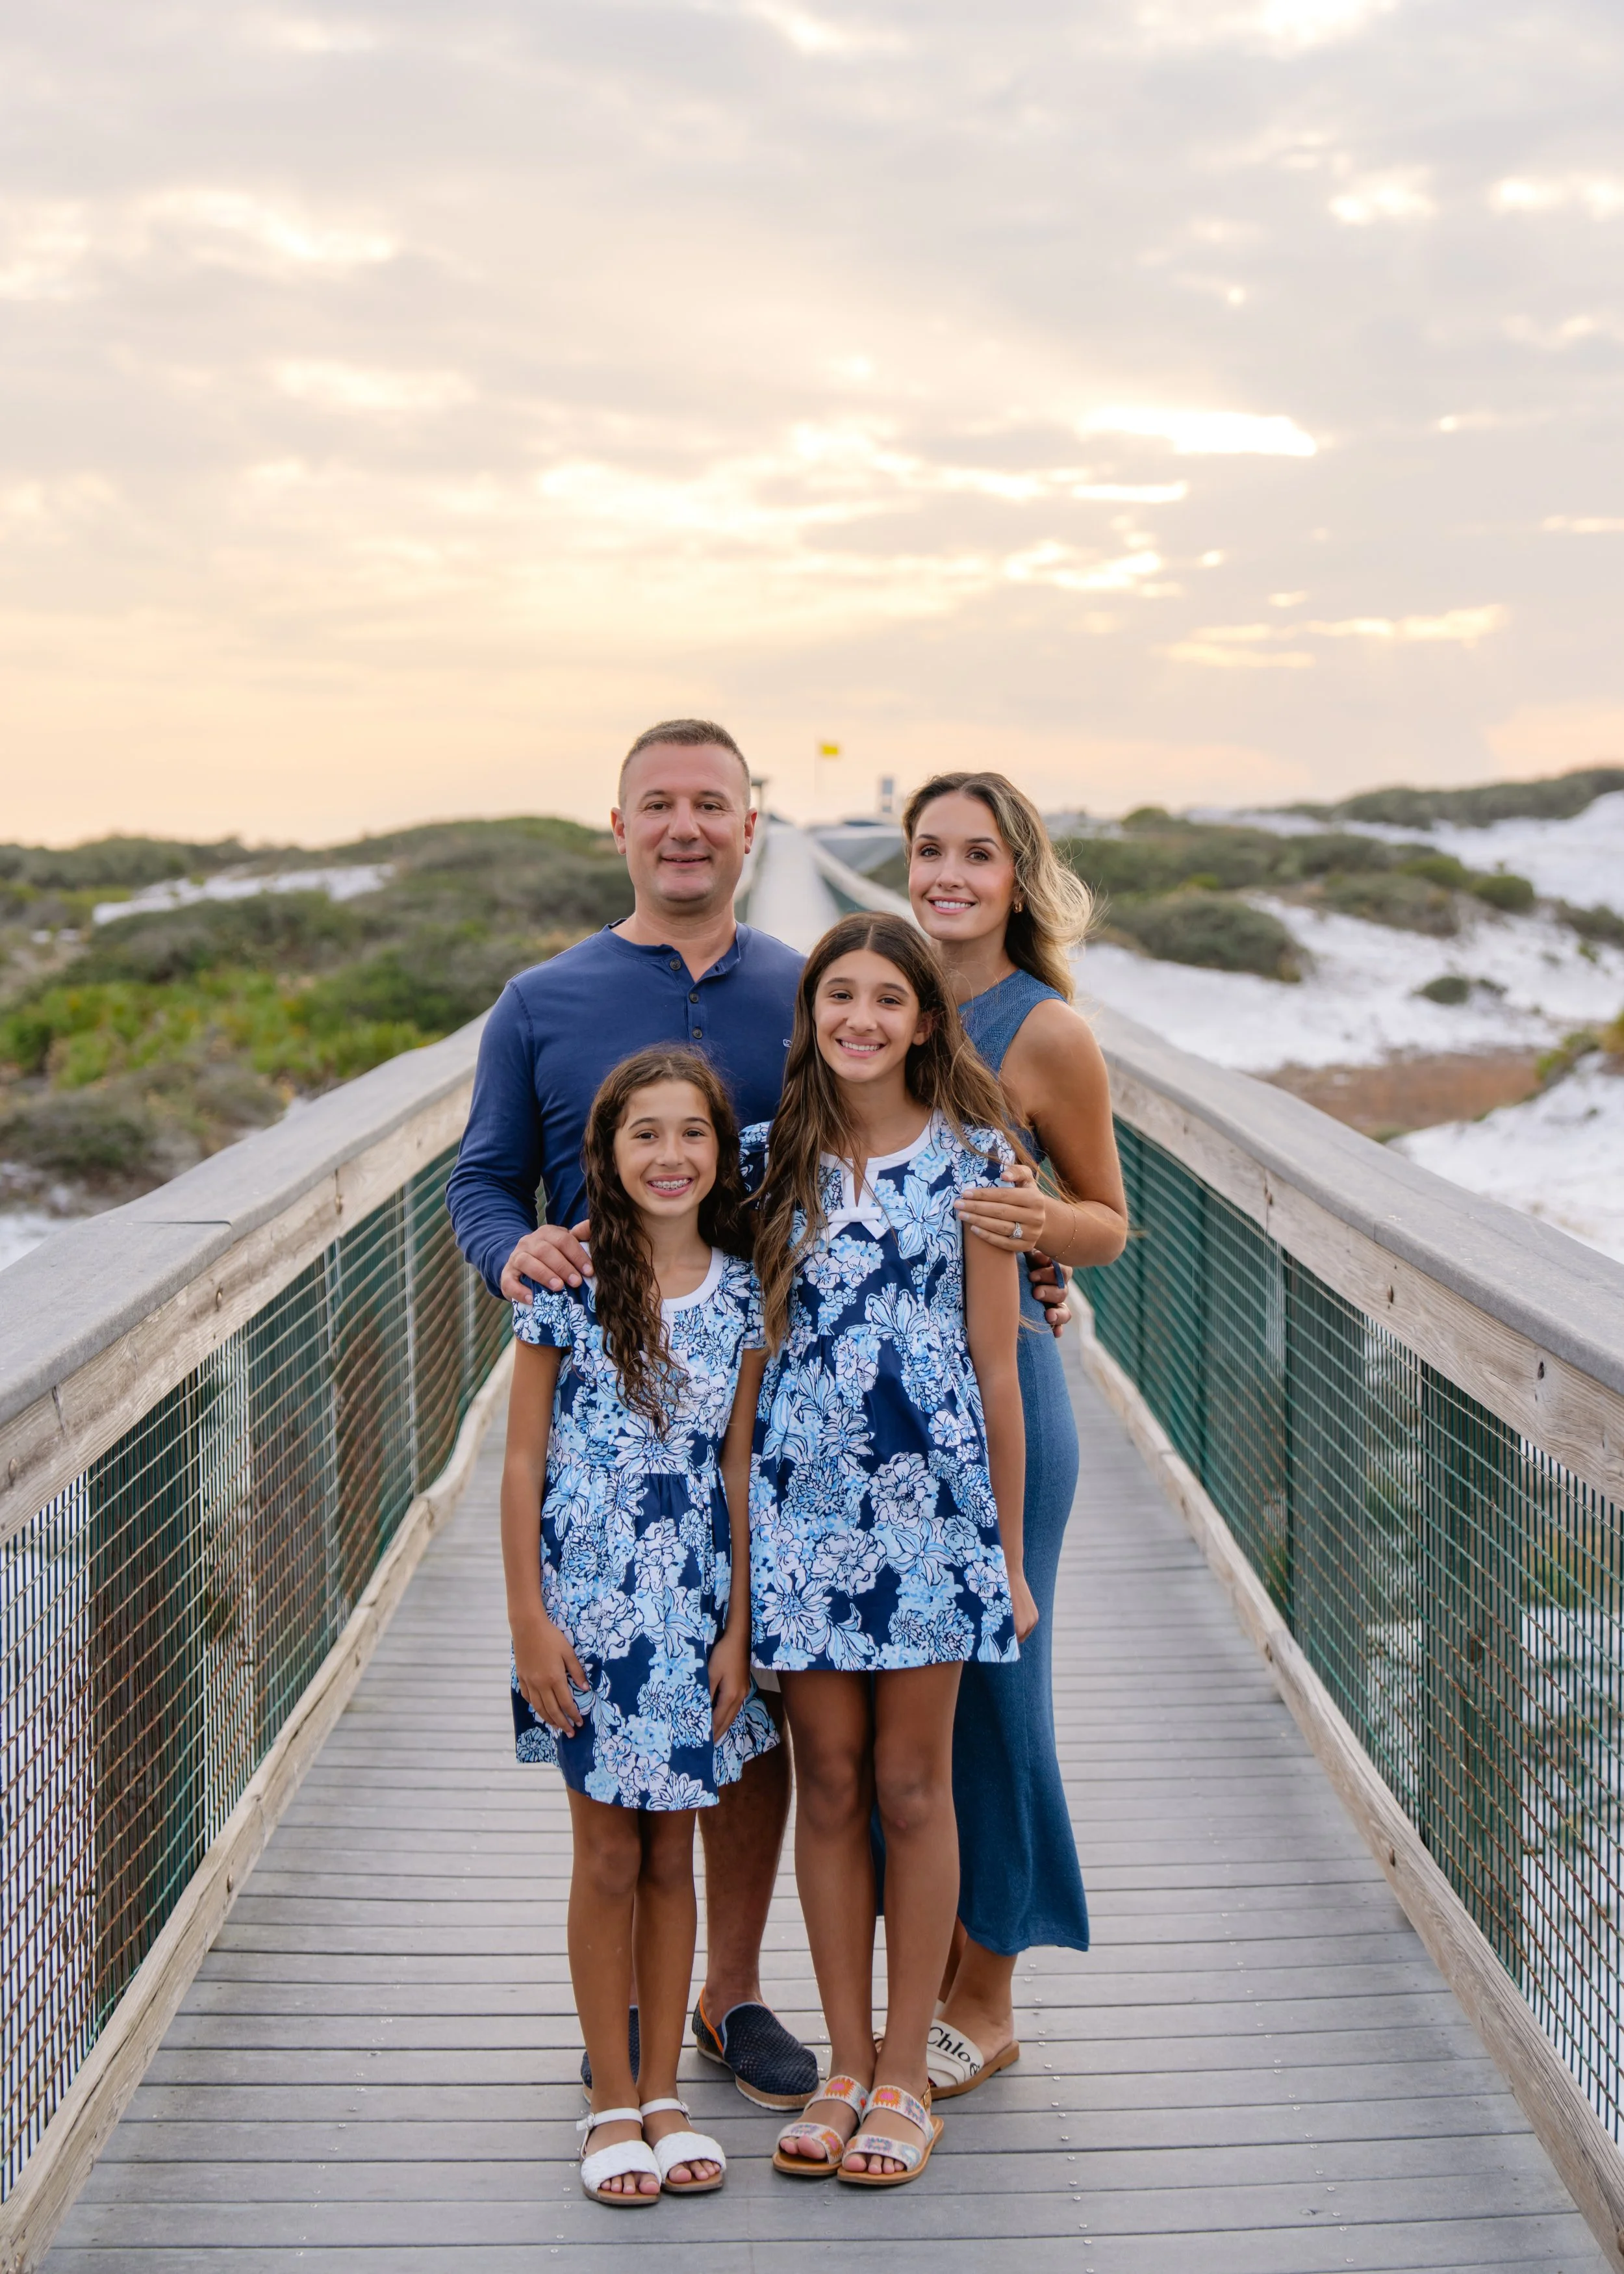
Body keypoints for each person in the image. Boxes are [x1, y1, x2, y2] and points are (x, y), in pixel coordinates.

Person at [449, 719, 817, 2105]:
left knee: (754, 1713)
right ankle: (627, 2024)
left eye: (708, 805)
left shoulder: (807, 988)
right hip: (609, 1437)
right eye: (655, 804)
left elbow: (914, 1125)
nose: (683, 826)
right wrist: (511, 1251)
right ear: (616, 828)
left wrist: (1021, 1259)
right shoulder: (540, 1000)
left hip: (775, 1404)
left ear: (748, 828)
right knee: (621, 1759)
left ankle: (728, 1990)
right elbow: (482, 1179)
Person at [745, 913, 1037, 2187]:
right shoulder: (767, 1162)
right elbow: (743, 1363)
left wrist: (1009, 1555)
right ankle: (844, 2064)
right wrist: (742, 1550)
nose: (858, 1017)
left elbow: (994, 1360)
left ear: (925, 1019)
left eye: (885, 998)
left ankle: (910, 2076)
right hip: (802, 1515)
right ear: (810, 1014)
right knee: (827, 1778)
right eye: (836, 995)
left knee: (914, 1784)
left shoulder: (977, 1156)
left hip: (928, 1520)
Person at [501, 1047, 774, 2204]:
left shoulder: (747, 1292)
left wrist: (742, 1630)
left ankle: (664, 2091)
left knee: (676, 1854)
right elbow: (521, 1461)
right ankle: (609, 2096)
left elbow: (739, 1465)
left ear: (724, 1151)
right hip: (587, 1611)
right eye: (644, 1135)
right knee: (609, 1850)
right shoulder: (567, 1283)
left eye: (694, 1133)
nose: (672, 1156)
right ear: (606, 1156)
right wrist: (528, 1619)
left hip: (695, 1611)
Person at [902, 771, 1128, 2101]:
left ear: (1014, 878)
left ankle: (984, 1997)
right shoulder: (870, 997)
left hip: (1007, 1402)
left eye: (974, 854)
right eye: (927, 850)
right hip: (877, 1414)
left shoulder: (1043, 1032)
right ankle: (926, 1969)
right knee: (901, 1703)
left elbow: (1104, 1214)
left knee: (1000, 1690)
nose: (947, 874)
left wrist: (1033, 1231)